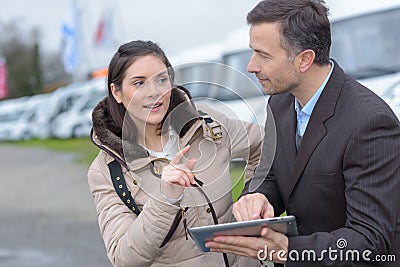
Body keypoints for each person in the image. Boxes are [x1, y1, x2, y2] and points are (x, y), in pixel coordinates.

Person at [205, 0, 400, 266]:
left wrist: (289, 250)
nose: (251, 66)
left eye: (263, 55)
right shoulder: (280, 103)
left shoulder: (370, 122)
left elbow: (369, 239)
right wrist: (256, 196)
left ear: (305, 60)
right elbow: (272, 173)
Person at [87, 40, 263, 267]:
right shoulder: (105, 171)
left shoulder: (207, 123)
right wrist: (166, 197)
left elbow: (264, 147)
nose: (154, 93)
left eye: (161, 79)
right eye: (139, 83)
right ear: (117, 92)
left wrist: (252, 196)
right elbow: (124, 259)